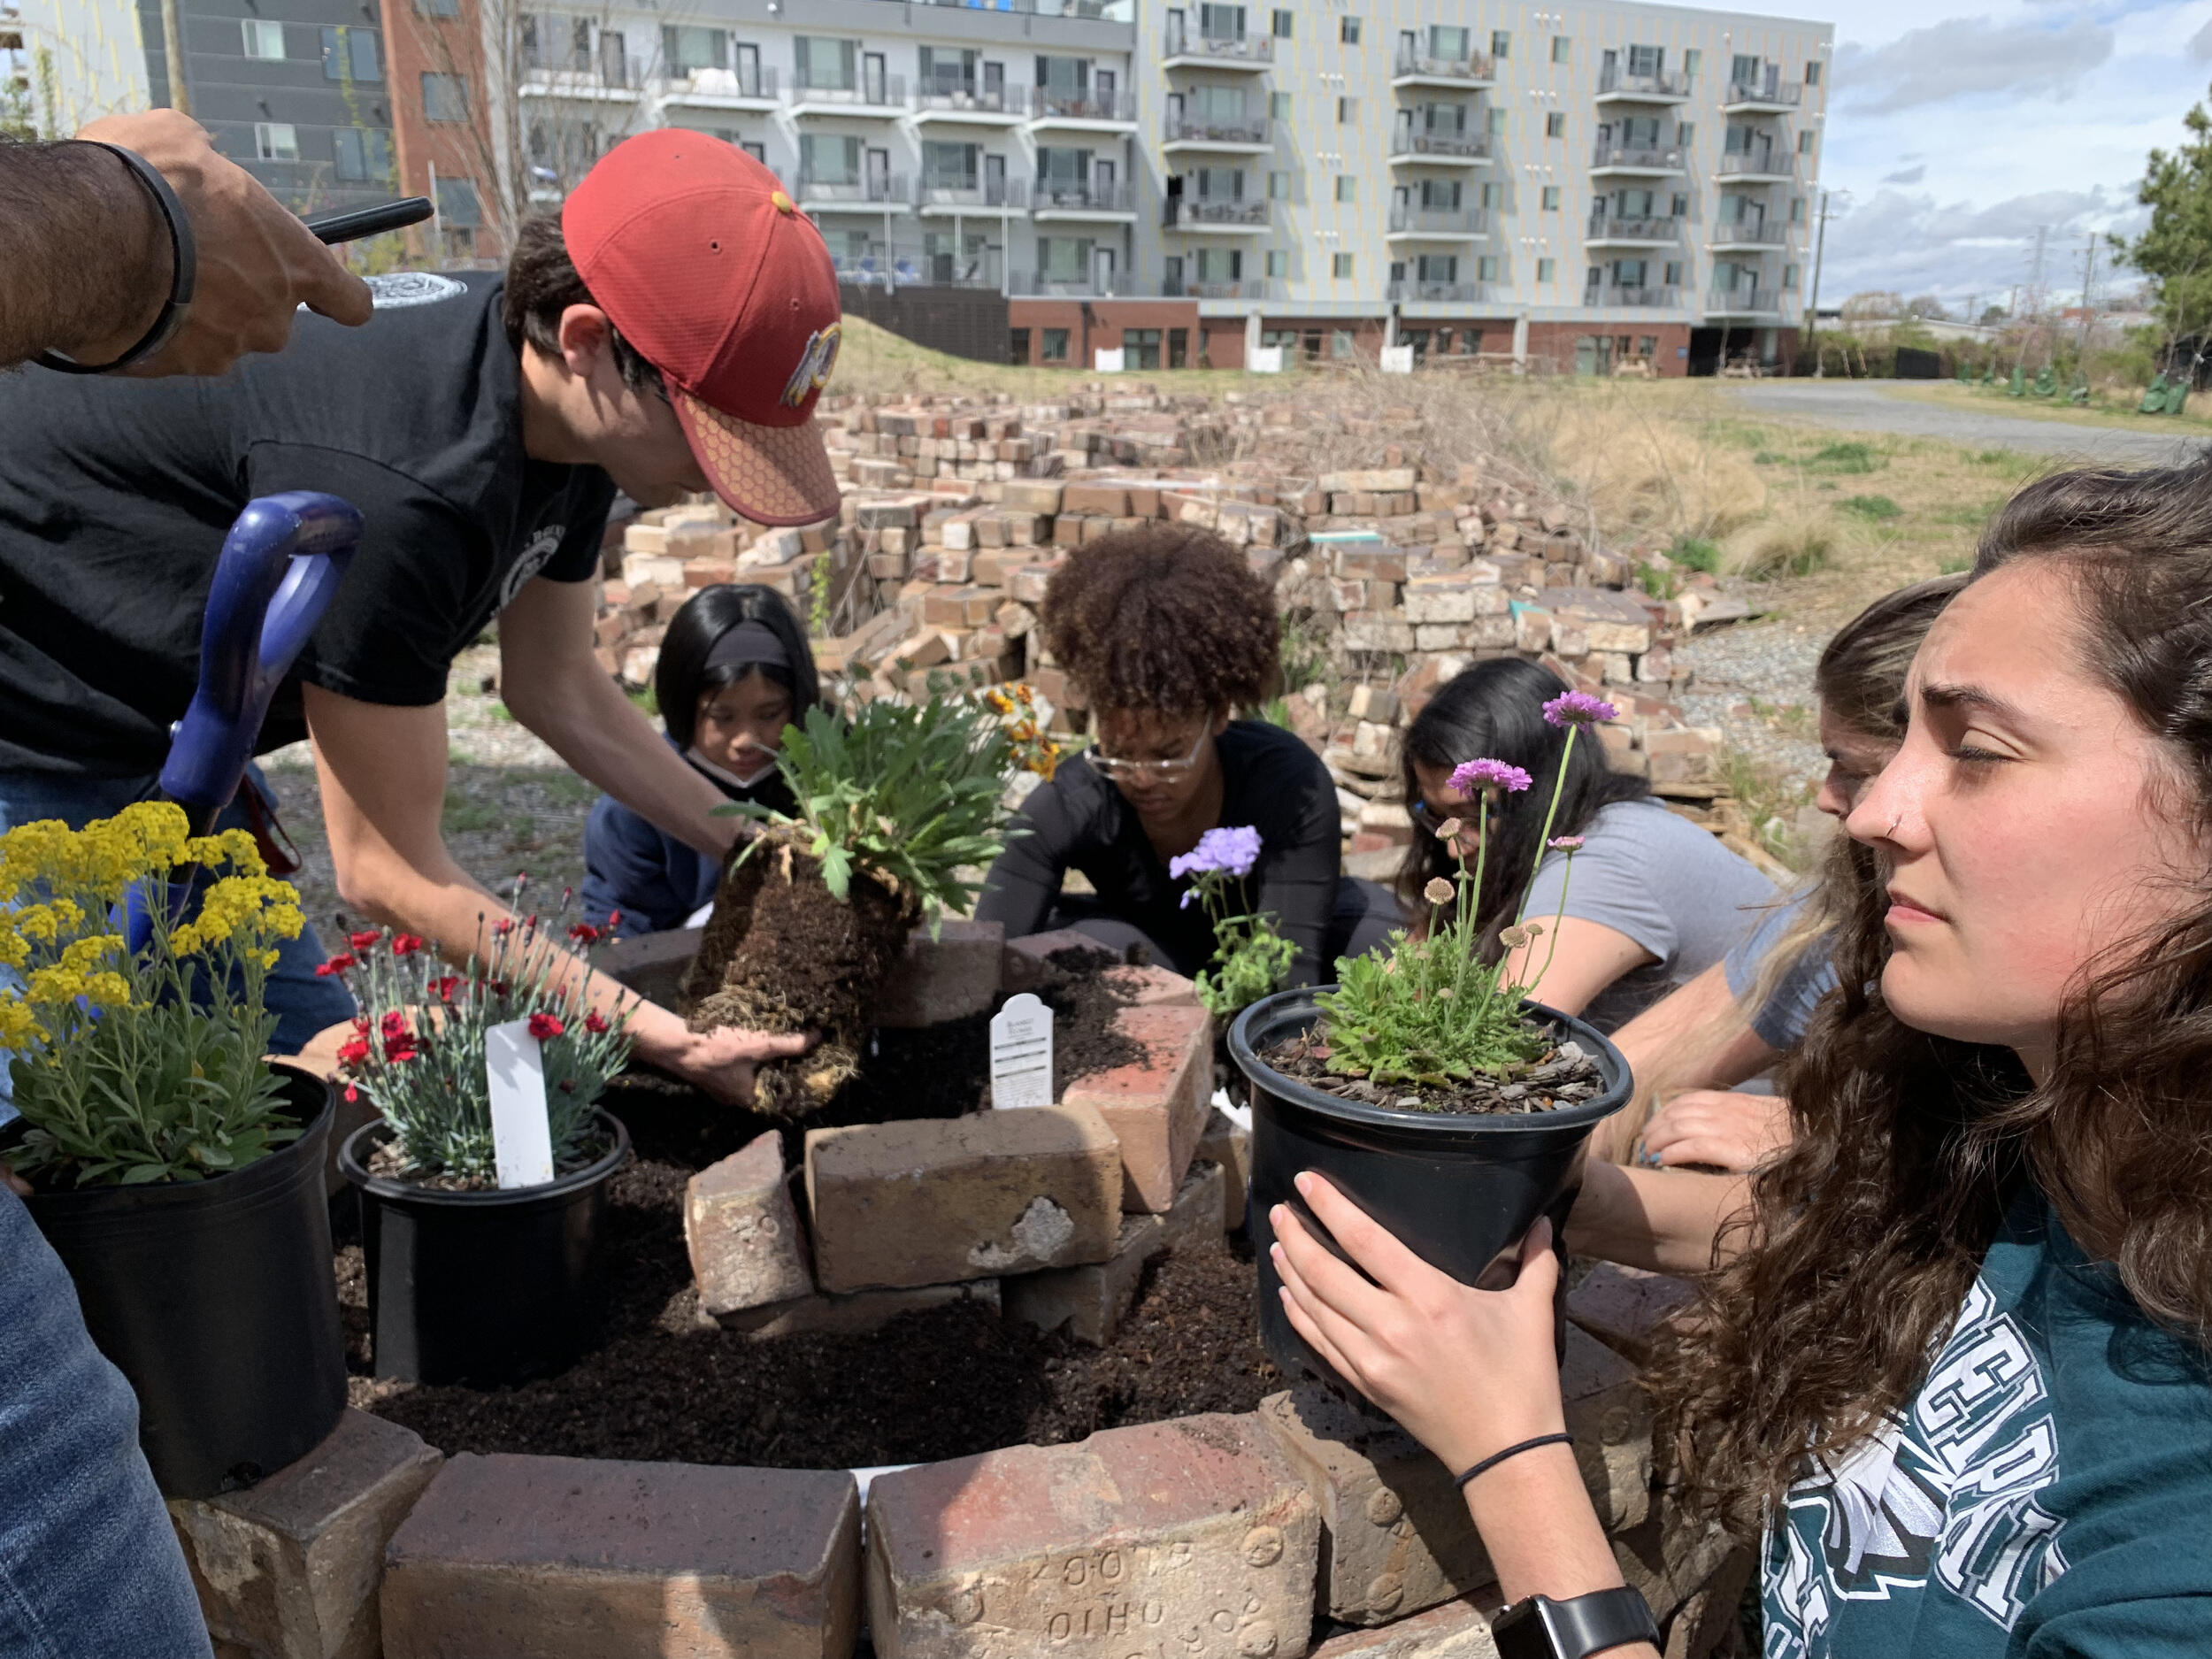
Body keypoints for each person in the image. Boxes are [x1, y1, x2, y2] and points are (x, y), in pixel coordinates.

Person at [1272, 457, 2212, 1657]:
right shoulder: (2026, 1122)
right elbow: (1885, 1256)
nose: (1871, 813)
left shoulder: (2183, 1525)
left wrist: (1508, 1452)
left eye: (1974, 748)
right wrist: (1551, 1193)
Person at [0, 128, 827, 1102]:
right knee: (81, 1137)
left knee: (291, 1110)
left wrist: (758, 849)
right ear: (589, 341)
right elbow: (386, 869)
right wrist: (664, 1038)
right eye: (708, 429)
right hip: (34, 733)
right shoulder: (406, 489)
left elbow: (555, 685)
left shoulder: (561, 416)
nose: (719, 480)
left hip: (174, 758)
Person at [1, 111, 373, 1659]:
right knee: (65, 1508)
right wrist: (117, 227)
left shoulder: (538, 493)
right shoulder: (393, 457)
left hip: (146, 770)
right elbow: (397, 861)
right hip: (63, 754)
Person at [1603, 574, 1966, 1169]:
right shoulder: (1844, 907)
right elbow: (1635, 1073)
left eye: (1849, 765)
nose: (1827, 798)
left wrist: (1828, 1141)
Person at [975, 523, 1398, 985]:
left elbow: (1289, 972)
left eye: (1167, 755)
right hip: (1159, 951)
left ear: (1217, 716)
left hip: (1288, 935)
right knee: (1078, 949)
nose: (1140, 778)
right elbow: (986, 953)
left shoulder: (1288, 784)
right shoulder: (1071, 799)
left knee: (1378, 945)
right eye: (1117, 753)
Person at [1399, 658, 1775, 1033]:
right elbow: (1392, 989)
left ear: (1539, 787)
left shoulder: (1598, 865)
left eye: (1477, 814)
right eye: (1435, 817)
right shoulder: (1585, 829)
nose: (1454, 848)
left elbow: (1510, 1035)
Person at [581, 584, 814, 936]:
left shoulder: (832, 777)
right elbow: (623, 938)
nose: (746, 741)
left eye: (769, 714)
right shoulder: (633, 810)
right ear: (680, 705)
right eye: (721, 716)